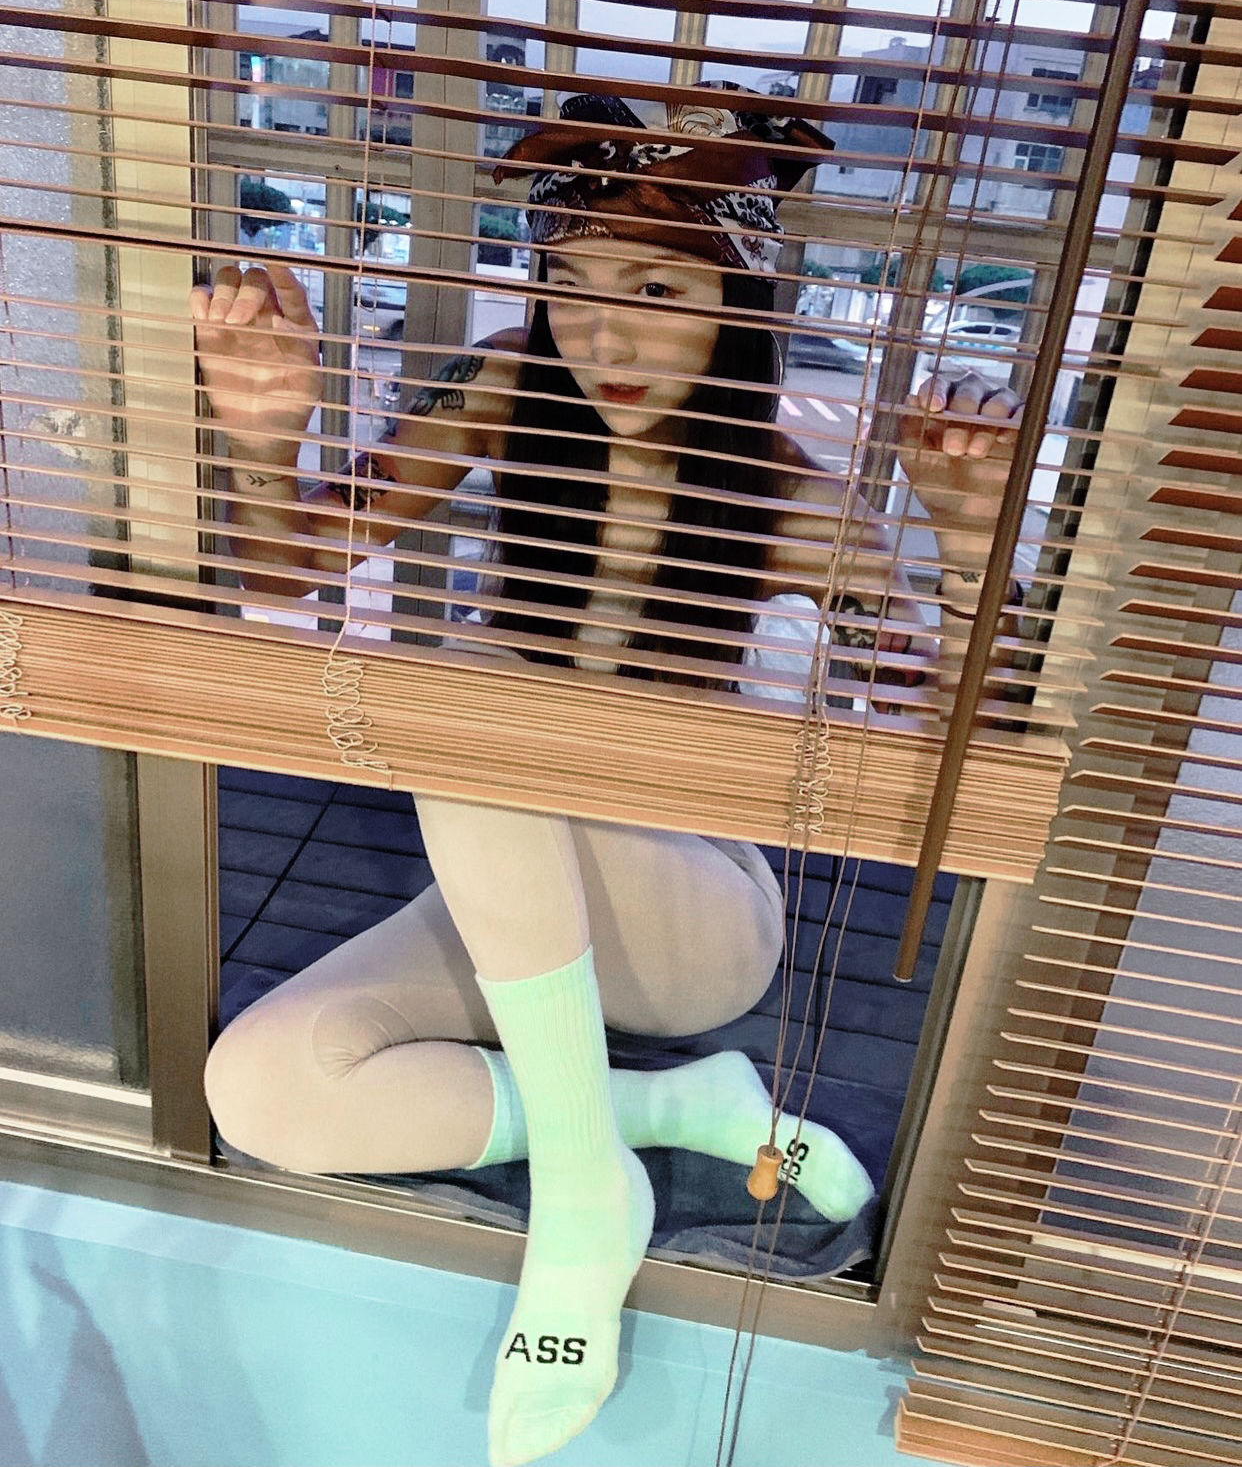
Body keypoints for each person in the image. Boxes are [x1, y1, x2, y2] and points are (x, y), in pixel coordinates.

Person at [192, 89, 1023, 1467]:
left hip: (688, 927)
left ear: (736, 302)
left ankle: (584, 1204)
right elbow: (291, 570)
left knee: (473, 706)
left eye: (654, 289)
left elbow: (939, 735)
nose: (604, 338)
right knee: (262, 1089)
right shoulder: (501, 395)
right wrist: (261, 439)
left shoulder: (787, 499)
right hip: (510, 888)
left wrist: (968, 539)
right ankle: (660, 1116)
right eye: (571, 286)